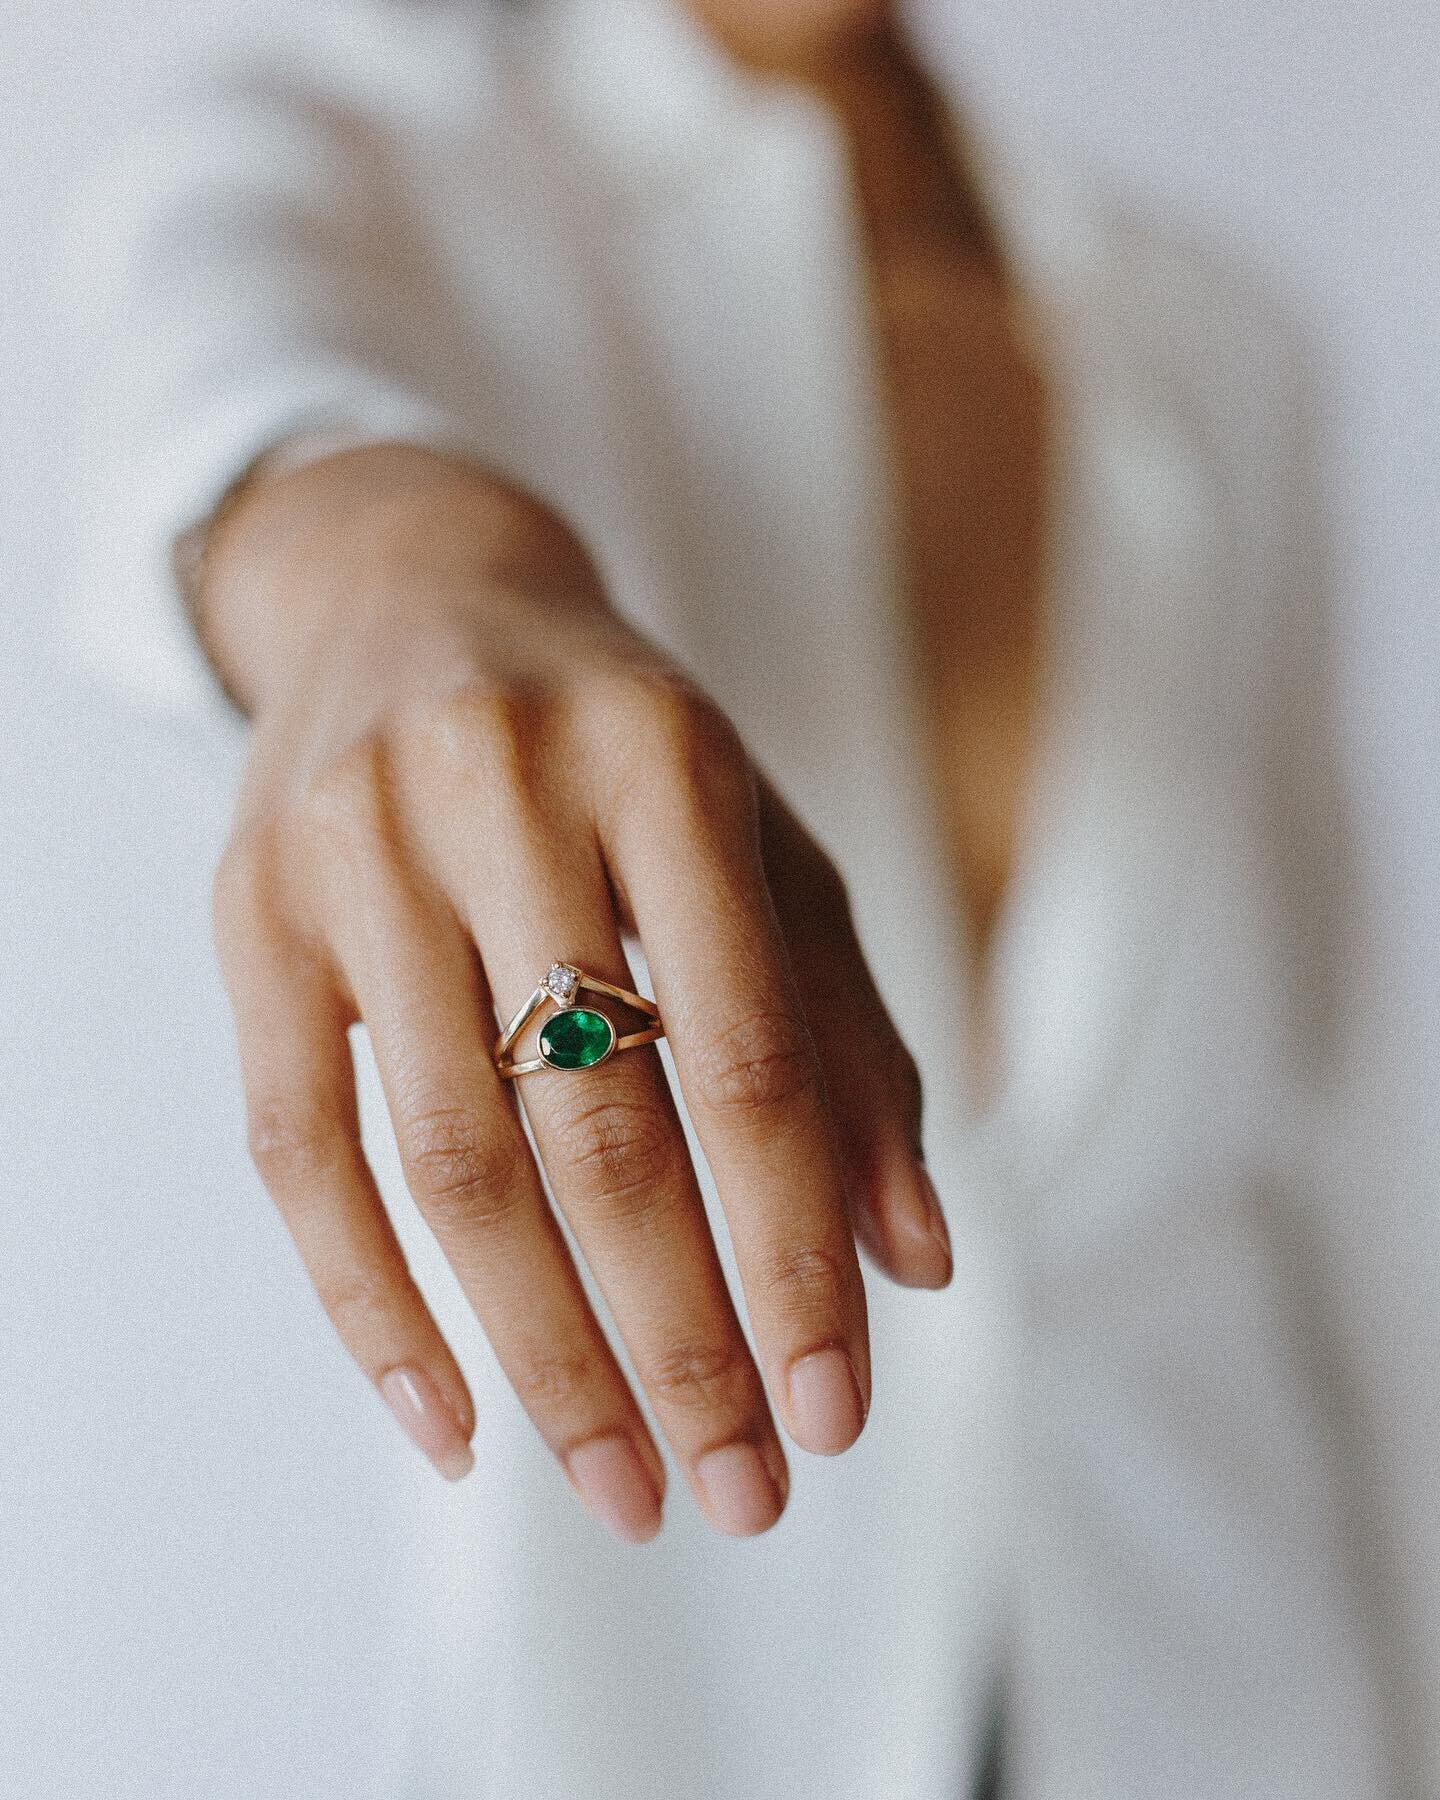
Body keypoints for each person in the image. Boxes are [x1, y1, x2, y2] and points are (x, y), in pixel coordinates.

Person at [71, 0, 1392, 1793]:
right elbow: (218, 378)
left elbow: (1305, 1120)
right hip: (682, 1690)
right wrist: (395, 566)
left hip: (1233, 1657)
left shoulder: (1220, 341)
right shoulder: (370, 152)